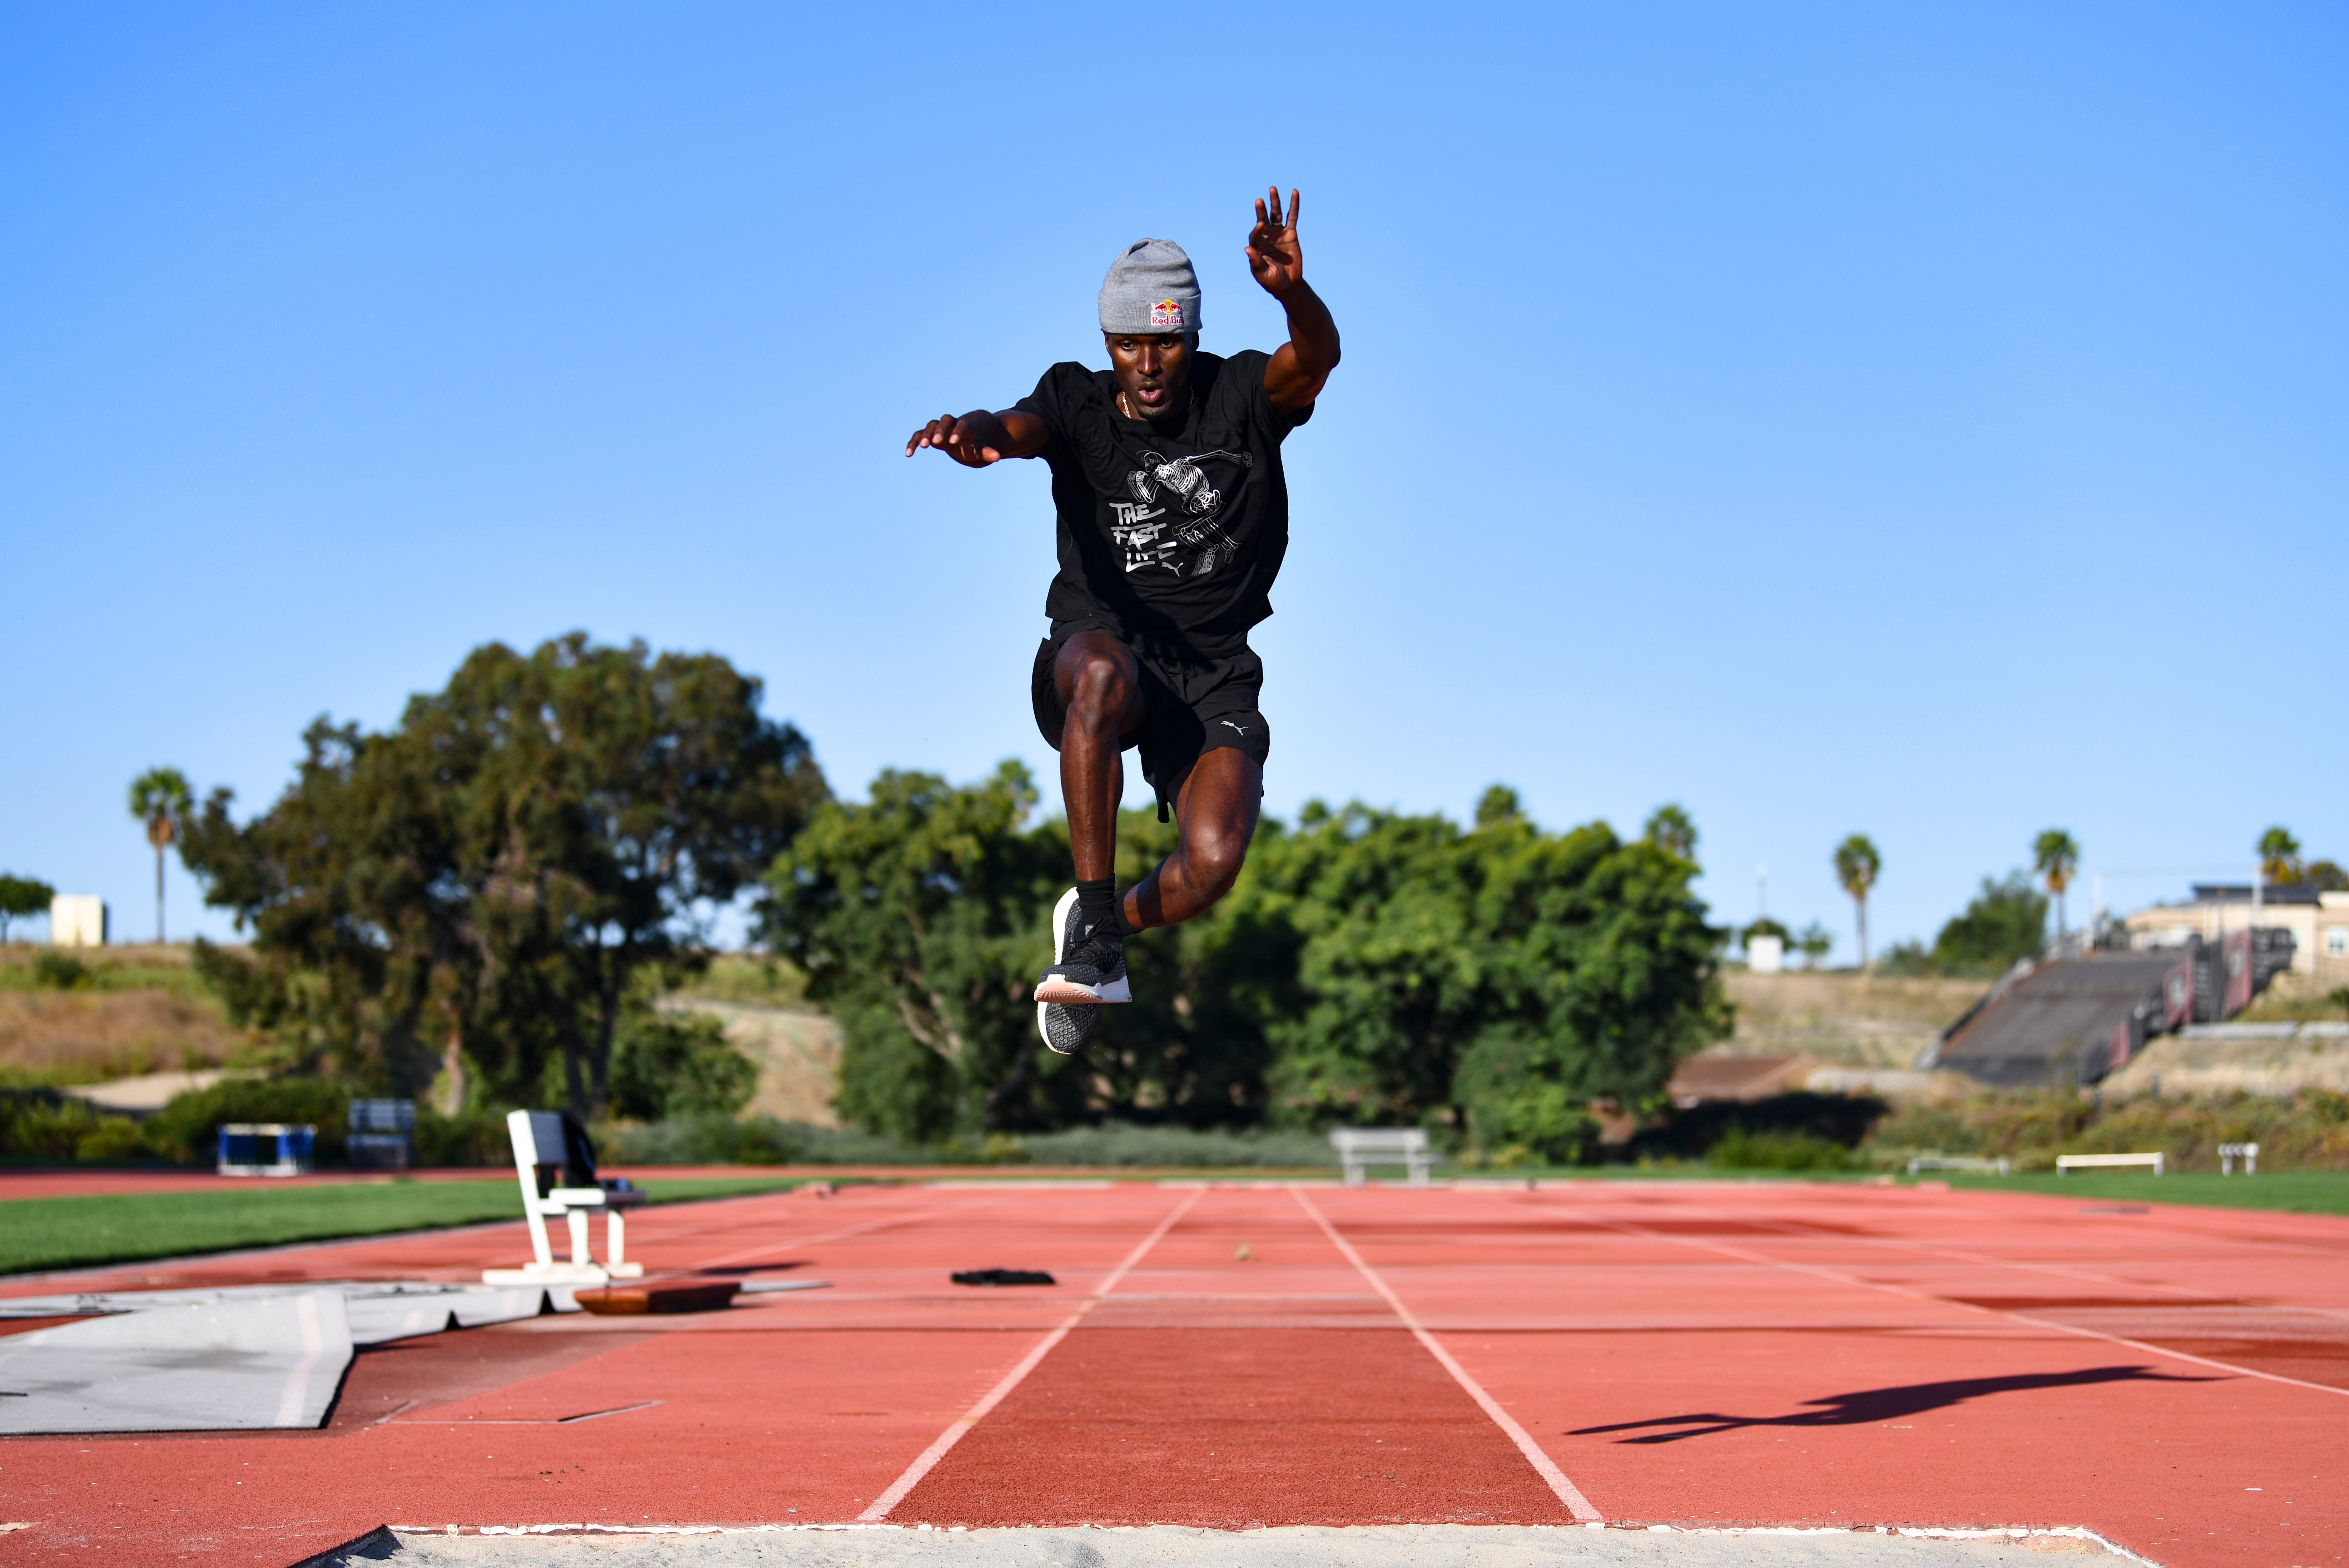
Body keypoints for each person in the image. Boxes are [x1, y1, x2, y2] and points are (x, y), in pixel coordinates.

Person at [905, 187, 1339, 1054]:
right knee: (1102, 675)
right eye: (1128, 343)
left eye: (1166, 344)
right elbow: (1018, 426)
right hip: (1100, 651)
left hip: (1211, 668)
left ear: (1191, 343)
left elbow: (1316, 358)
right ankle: (1095, 905)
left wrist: (1293, 291)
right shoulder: (1076, 402)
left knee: (1213, 865)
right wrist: (976, 434)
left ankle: (1099, 934)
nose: (1147, 364)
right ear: (1107, 345)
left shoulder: (1244, 393)